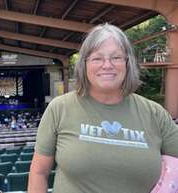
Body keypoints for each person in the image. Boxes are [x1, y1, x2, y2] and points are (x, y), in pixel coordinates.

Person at [28, 23, 178, 193]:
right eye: (97, 58)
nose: (107, 65)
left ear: (127, 63)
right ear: (84, 65)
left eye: (116, 57)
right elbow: (39, 172)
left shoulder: (155, 114)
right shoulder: (60, 108)